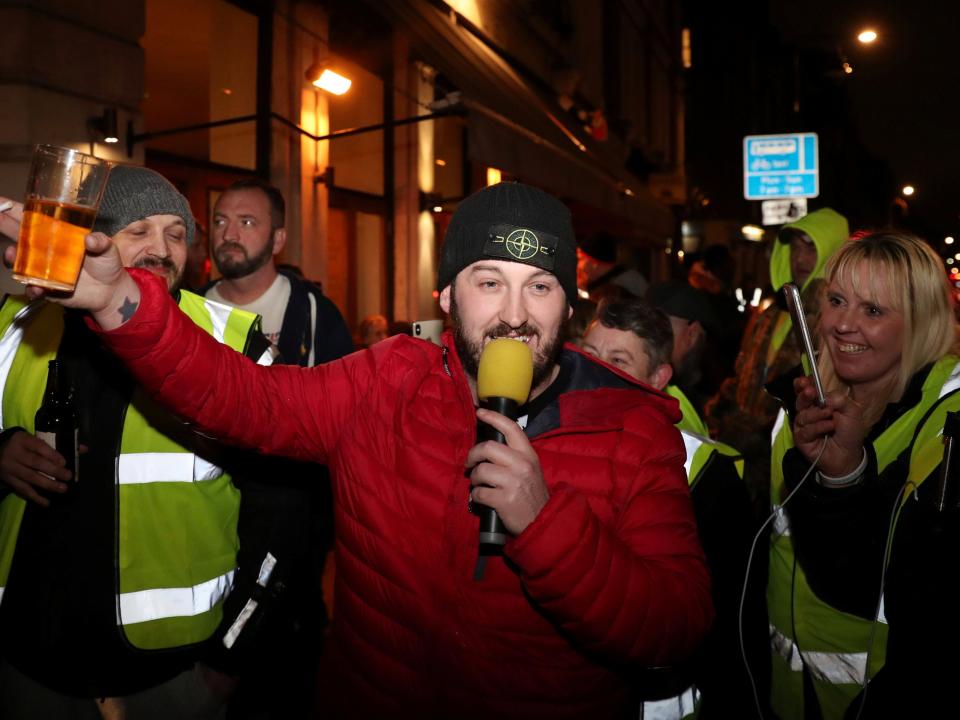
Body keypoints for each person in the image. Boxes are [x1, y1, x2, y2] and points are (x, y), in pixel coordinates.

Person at [11, 181, 714, 719]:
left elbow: (673, 629)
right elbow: (245, 400)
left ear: (570, 307)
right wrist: (120, 306)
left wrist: (548, 524)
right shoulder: (389, 380)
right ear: (447, 296)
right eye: (489, 282)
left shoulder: (634, 427)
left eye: (541, 287)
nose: (515, 316)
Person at [0, 166, 277, 718]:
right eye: (139, 229)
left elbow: (286, 519)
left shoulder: (233, 340)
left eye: (176, 233)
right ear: (93, 240)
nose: (162, 248)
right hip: (27, 659)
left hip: (169, 676)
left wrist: (230, 658)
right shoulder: (14, 324)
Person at [766, 232, 960, 719]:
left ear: (920, 321)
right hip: (788, 684)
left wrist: (846, 478)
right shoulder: (803, 395)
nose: (843, 324)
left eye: (873, 311)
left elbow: (913, 580)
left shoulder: (948, 418)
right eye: (836, 300)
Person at [582, 299, 769, 718]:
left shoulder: (707, 474)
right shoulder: (547, 441)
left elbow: (731, 621)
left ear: (658, 378)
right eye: (590, 355)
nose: (596, 373)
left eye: (618, 361)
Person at [706, 208, 848, 512]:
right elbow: (742, 375)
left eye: (811, 247)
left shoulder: (836, 324)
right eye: (795, 247)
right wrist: (716, 415)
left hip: (791, 463)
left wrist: (753, 435)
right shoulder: (770, 315)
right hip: (743, 463)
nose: (800, 257)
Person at [205, 178, 353, 366]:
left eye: (247, 222)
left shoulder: (317, 314)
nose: (228, 235)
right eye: (220, 221)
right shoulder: (186, 311)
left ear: (277, 240)